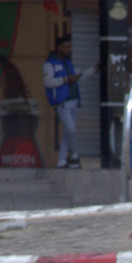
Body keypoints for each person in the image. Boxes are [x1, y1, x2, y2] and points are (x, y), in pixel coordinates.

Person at [42, 37, 85, 168]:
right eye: (67, 47)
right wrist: (65, 79)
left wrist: (94, 68)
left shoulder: (68, 63)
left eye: (70, 47)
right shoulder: (49, 64)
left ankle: (62, 159)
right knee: (70, 129)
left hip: (74, 101)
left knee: (68, 131)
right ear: (59, 48)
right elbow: (47, 82)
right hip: (62, 102)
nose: (69, 50)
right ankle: (75, 154)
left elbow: (79, 75)